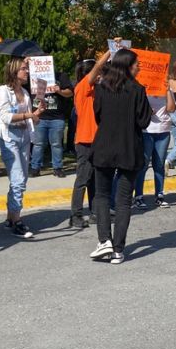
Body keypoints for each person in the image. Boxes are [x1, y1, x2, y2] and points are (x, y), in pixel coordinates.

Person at [89, 49, 152, 264]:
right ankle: (117, 249)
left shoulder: (102, 88)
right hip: (129, 149)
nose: (139, 67)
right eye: (137, 64)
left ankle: (104, 241)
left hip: (104, 147)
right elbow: (144, 122)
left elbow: (97, 116)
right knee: (124, 200)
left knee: (102, 196)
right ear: (127, 65)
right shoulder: (137, 90)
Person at [0, 57, 44, 238]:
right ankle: (17, 221)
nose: (26, 71)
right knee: (19, 179)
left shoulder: (26, 93)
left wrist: (36, 114)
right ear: (14, 71)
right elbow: (5, 116)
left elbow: (30, 117)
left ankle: (9, 217)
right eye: (23, 68)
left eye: (26, 68)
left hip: (24, 137)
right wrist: (30, 114)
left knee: (20, 180)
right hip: (10, 138)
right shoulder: (3, 91)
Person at [69, 51, 110, 228]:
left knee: (94, 179)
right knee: (83, 179)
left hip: (97, 140)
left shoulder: (95, 90)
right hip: (85, 140)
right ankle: (75, 214)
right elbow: (98, 67)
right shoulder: (82, 86)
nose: (100, 75)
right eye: (97, 73)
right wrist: (110, 51)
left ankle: (95, 212)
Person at [134, 87, 175, 209]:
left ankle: (159, 194)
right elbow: (137, 109)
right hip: (147, 130)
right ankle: (138, 196)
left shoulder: (168, 89)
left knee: (159, 164)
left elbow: (171, 108)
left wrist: (167, 90)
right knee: (143, 164)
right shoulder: (143, 89)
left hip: (163, 130)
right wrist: (147, 111)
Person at [30, 68, 73, 178]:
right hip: (40, 116)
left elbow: (70, 93)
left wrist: (59, 91)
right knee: (38, 144)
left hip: (57, 118)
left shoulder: (61, 76)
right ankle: (35, 168)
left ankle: (57, 168)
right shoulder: (33, 76)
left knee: (56, 144)